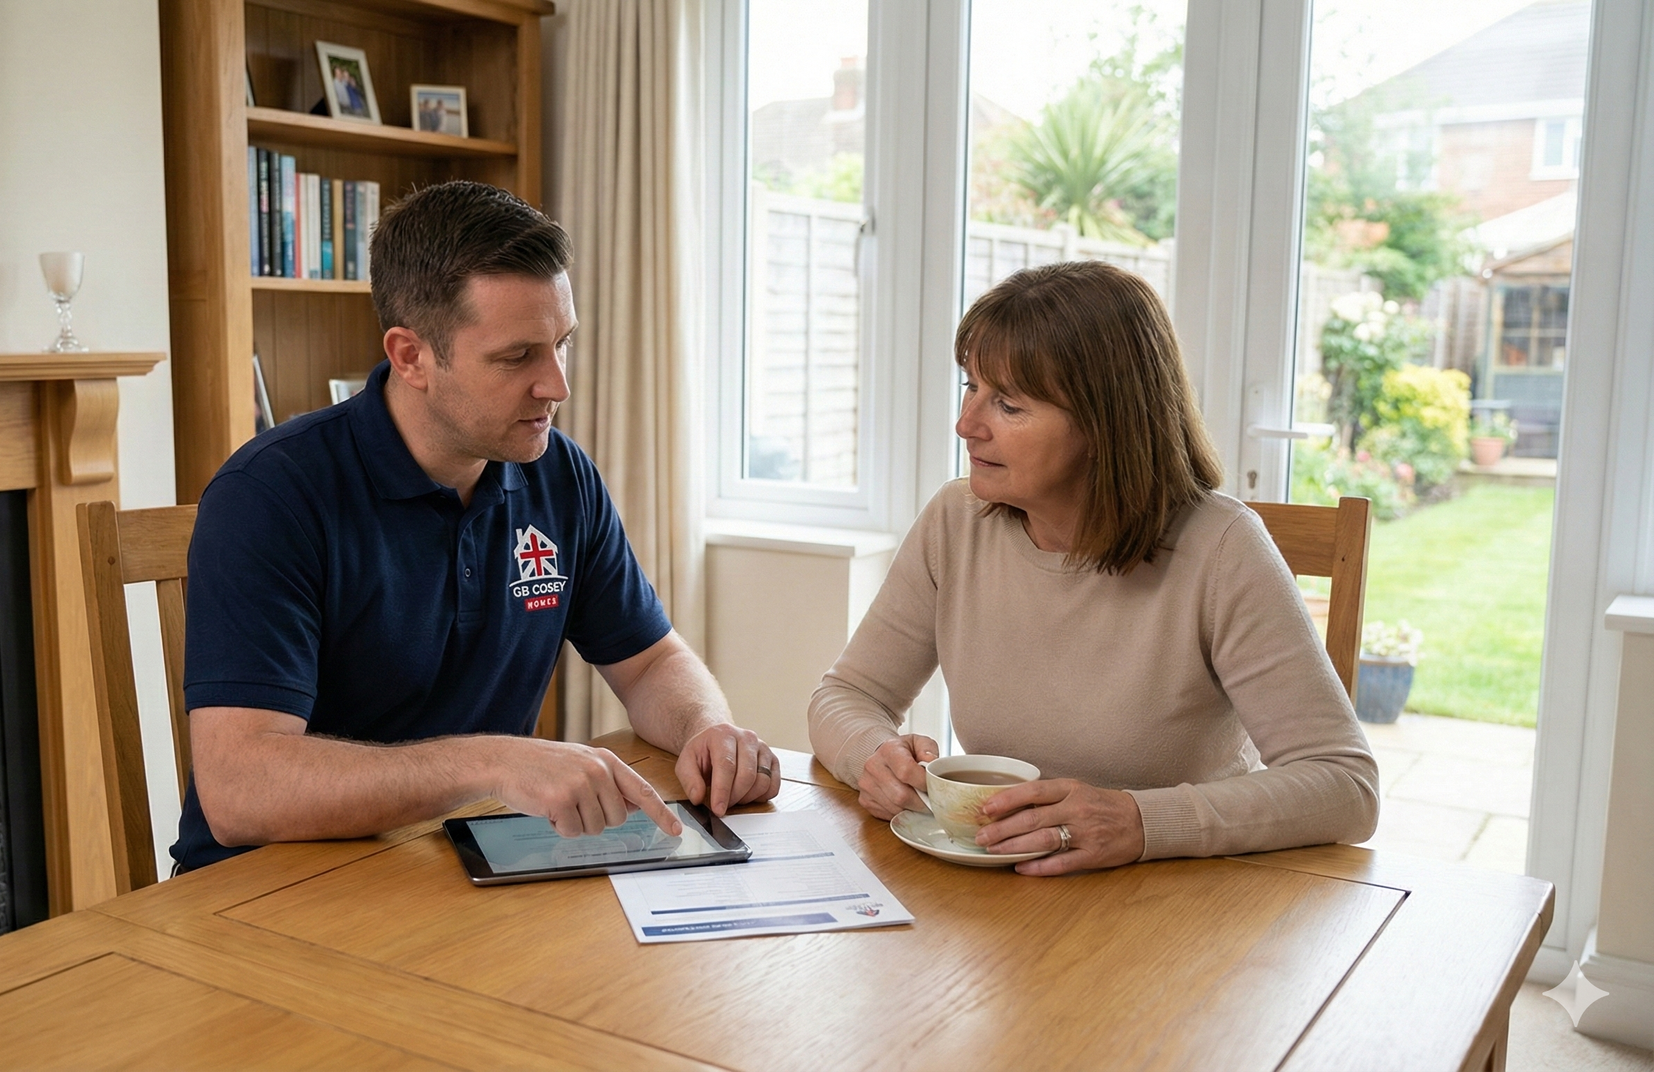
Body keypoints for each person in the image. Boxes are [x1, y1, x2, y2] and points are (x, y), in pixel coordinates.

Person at [173, 181, 778, 873]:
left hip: (460, 864)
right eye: (517, 357)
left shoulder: (559, 474)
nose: (556, 385)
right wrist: (492, 762)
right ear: (410, 357)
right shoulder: (271, 495)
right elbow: (241, 789)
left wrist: (706, 727)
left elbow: (650, 663)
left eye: (562, 344)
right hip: (272, 893)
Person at [808, 260, 1378, 876]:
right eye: (970, 387)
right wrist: (875, 755)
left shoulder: (1223, 547)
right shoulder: (957, 519)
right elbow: (847, 696)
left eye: (1009, 404)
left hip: (1185, 895)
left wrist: (1139, 823)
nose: (966, 425)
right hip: (1008, 895)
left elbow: (1345, 786)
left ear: (1106, 424)